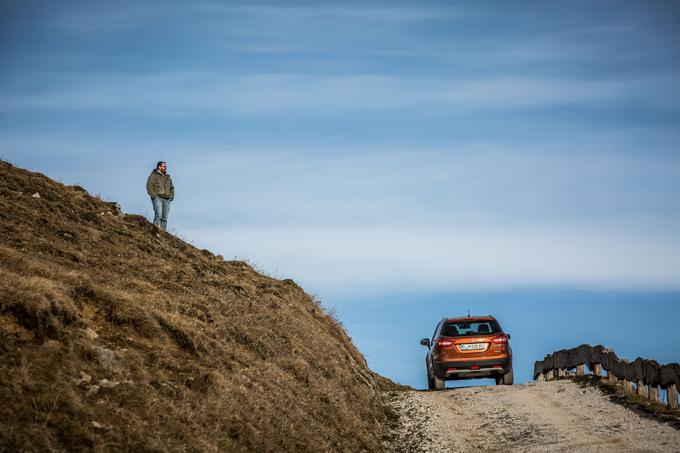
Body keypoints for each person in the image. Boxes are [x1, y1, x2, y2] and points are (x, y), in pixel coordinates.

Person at [146, 161, 174, 231]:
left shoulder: (168, 177)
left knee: (164, 218)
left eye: (165, 167)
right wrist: (154, 196)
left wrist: (171, 197)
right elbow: (149, 185)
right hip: (157, 198)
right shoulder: (153, 175)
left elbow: (172, 188)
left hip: (167, 199)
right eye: (164, 166)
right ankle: (154, 232)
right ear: (159, 167)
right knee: (158, 215)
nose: (165, 168)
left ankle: (163, 234)